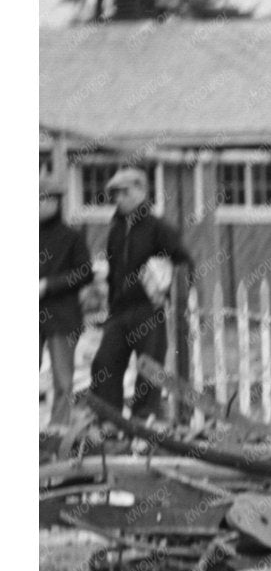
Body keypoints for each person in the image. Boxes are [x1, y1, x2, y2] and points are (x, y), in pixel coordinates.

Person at [86, 164, 191, 423]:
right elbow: (113, 271)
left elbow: (183, 262)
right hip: (119, 312)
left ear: (141, 191)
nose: (118, 199)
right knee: (104, 364)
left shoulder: (159, 228)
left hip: (148, 311)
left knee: (148, 370)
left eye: (124, 192)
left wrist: (166, 289)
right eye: (115, 194)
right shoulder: (116, 230)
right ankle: (109, 421)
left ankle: (143, 422)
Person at [39, 176, 94, 429]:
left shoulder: (71, 237)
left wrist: (48, 286)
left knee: (63, 379)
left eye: (42, 199)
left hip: (62, 317)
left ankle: (58, 428)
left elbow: (85, 272)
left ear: (54, 202)